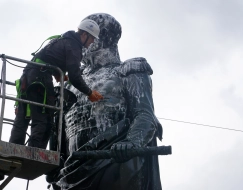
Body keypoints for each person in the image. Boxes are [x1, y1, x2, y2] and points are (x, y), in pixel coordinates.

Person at [49, 13, 163, 190]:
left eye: (84, 34)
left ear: (101, 38)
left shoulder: (127, 70)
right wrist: (53, 161)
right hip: (73, 170)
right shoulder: (71, 84)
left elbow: (144, 114)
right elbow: (58, 130)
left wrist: (131, 142)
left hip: (115, 165)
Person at [9, 19, 104, 149]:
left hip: (28, 75)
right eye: (92, 38)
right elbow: (75, 77)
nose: (92, 42)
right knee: (44, 116)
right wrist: (89, 92)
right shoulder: (74, 46)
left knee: (22, 117)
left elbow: (46, 58)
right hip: (40, 79)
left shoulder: (62, 40)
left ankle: (13, 148)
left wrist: (56, 72)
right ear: (84, 34)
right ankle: (34, 152)